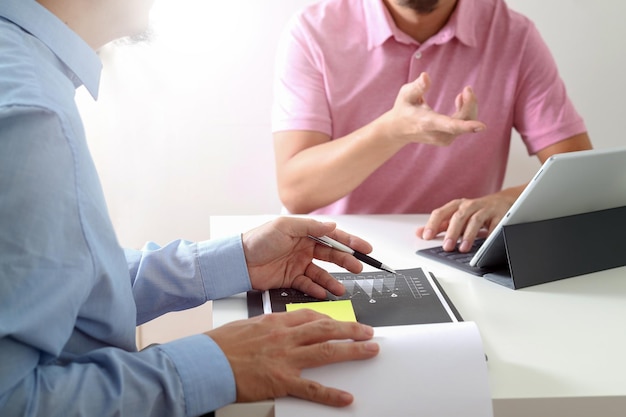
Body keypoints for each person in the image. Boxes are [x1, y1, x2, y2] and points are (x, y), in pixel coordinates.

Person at [0, 0, 380, 416]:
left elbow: (71, 289)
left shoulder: (24, 79)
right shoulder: (30, 117)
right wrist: (218, 363)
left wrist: (237, 260)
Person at [272, 0, 593, 253]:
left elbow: (580, 176)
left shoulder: (513, 35)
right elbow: (297, 192)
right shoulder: (314, 30)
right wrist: (391, 131)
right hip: (335, 250)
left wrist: (509, 200)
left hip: (458, 250)